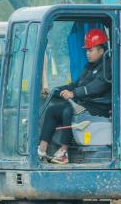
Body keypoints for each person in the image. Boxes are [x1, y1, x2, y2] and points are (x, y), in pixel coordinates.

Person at [38, 28, 111, 164]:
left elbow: (97, 86)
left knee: (68, 111)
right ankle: (42, 149)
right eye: (86, 50)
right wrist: (56, 89)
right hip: (86, 104)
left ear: (101, 51)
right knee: (53, 110)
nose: (87, 53)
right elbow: (76, 84)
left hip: (99, 106)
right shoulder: (90, 66)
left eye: (90, 50)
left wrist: (74, 93)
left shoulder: (108, 66)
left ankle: (64, 152)